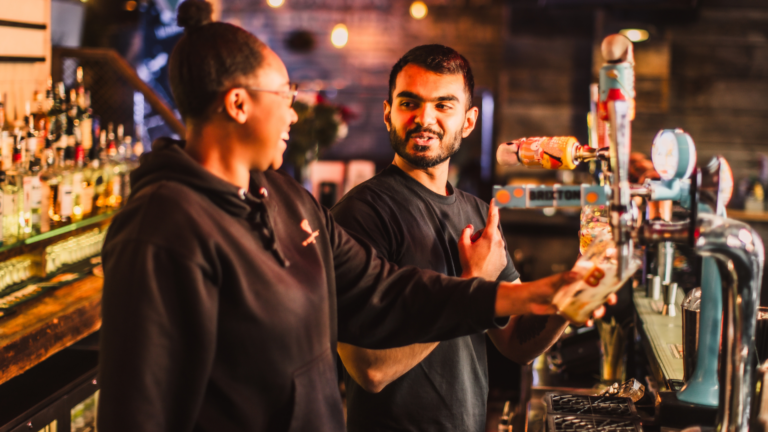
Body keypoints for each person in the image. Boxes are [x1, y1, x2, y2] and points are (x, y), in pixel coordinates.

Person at [96, 3, 581, 432]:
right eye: (286, 95)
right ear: (238, 104)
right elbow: (139, 412)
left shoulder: (287, 201)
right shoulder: (159, 231)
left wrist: (540, 293)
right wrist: (482, 283)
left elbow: (383, 291)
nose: (294, 114)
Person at [332, 45, 614, 432]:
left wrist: (568, 301)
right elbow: (370, 370)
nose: (424, 118)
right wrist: (472, 285)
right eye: (409, 103)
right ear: (388, 114)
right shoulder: (361, 214)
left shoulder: (480, 213)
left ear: (468, 121)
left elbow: (516, 342)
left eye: (443, 105)